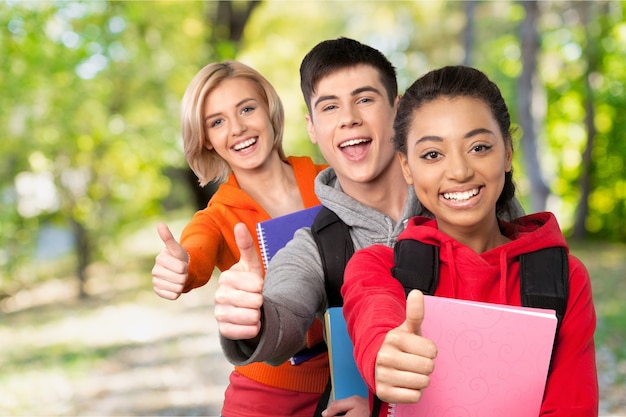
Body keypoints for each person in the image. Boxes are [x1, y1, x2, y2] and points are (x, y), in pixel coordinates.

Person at [341, 65, 599, 416]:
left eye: (479, 147)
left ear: (507, 152)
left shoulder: (564, 278)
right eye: (432, 154)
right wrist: (385, 353)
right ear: (406, 167)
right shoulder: (378, 267)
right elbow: (375, 311)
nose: (460, 171)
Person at [150, 60, 330, 417]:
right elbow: (195, 252)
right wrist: (180, 266)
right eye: (217, 122)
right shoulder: (217, 217)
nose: (237, 129)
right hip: (267, 397)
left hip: (355, 383)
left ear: (269, 110)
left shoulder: (331, 183)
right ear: (207, 141)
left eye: (247, 109)